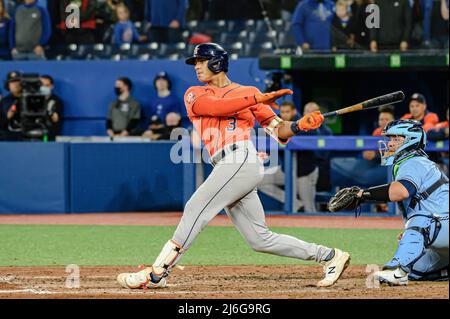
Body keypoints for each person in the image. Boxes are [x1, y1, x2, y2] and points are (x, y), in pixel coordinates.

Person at [116, 43, 350, 290]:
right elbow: (218, 107)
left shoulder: (248, 92)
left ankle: (157, 273)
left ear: (217, 62)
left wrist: (300, 125)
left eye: (201, 61)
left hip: (241, 159)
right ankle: (329, 256)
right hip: (226, 165)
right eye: (195, 62)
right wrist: (257, 98)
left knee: (196, 207)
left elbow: (277, 129)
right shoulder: (195, 93)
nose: (196, 67)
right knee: (260, 239)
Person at [329, 120, 449, 285]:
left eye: (395, 139)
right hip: (443, 230)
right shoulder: (418, 162)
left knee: (420, 221)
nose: (389, 143)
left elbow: (400, 191)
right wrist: (413, 234)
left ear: (410, 140)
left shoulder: (413, 162)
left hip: (444, 227)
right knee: (416, 270)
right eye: (389, 139)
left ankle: (397, 272)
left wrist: (363, 195)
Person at [40, 75, 64, 140]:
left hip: (50, 136)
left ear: (52, 86)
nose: (44, 87)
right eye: (42, 85)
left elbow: (56, 119)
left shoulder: (57, 101)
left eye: (47, 85)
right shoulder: (32, 100)